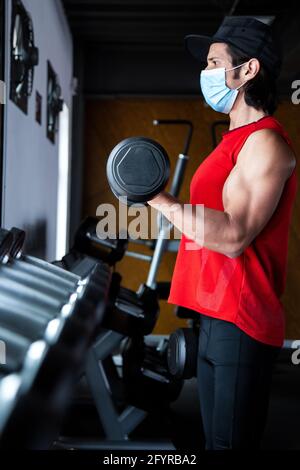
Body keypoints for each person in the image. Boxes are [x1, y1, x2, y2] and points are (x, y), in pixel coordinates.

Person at [147, 16, 297, 449]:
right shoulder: (234, 140)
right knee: (214, 441)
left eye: (215, 62)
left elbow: (233, 235)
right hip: (214, 314)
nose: (205, 74)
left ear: (247, 70)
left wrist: (160, 199)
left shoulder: (266, 144)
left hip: (242, 316)